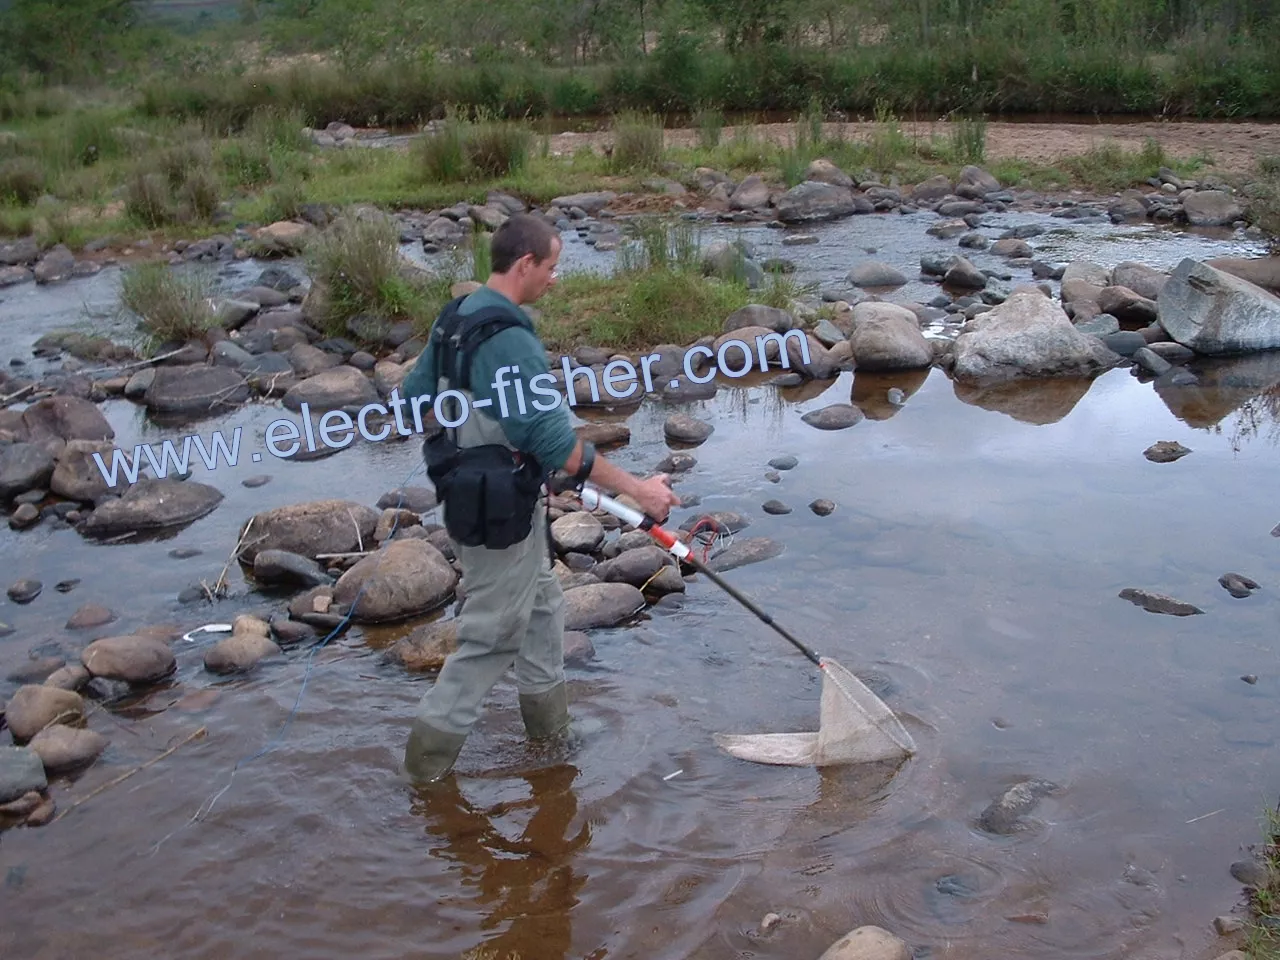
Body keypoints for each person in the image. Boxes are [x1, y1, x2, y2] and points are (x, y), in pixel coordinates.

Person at [399, 213, 681, 786]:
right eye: (551, 267)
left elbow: (412, 396)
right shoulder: (510, 337)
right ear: (524, 264)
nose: (555, 279)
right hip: (493, 507)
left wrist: (475, 445)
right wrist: (639, 490)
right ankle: (423, 778)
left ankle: (551, 738)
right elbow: (552, 440)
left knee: (544, 609)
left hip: (477, 491)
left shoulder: (458, 314)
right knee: (492, 633)